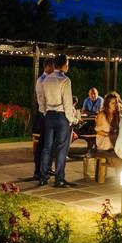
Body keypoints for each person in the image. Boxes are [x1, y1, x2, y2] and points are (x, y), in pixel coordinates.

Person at [38, 54, 78, 188]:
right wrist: (72, 119)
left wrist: (45, 112)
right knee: (61, 148)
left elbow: (42, 100)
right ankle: (59, 179)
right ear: (64, 64)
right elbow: (67, 103)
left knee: (46, 147)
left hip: (49, 115)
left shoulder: (45, 79)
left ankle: (42, 177)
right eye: (68, 62)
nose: (68, 65)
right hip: (61, 117)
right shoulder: (65, 80)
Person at [32, 57, 54, 180]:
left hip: (47, 114)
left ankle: (46, 168)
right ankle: (38, 171)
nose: (54, 69)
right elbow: (43, 101)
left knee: (49, 144)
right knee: (42, 144)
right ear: (47, 67)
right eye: (53, 66)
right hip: (44, 115)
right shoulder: (42, 80)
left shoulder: (48, 79)